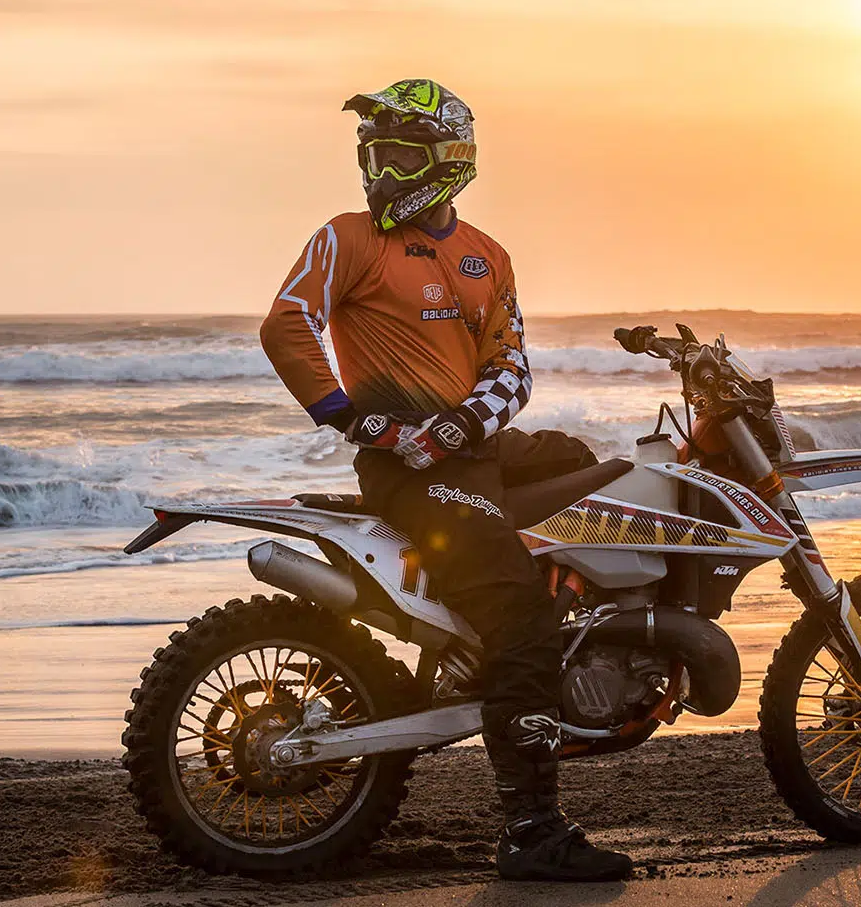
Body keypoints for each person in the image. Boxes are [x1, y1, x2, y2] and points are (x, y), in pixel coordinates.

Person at [259, 79, 632, 882]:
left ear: (448, 162)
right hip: (405, 468)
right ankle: (531, 831)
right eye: (374, 155)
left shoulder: (486, 255)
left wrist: (467, 423)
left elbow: (511, 364)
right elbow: (286, 322)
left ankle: (556, 624)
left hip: (469, 452)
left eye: (399, 154)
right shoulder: (348, 239)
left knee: (589, 461)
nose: (380, 171)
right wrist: (356, 421)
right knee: (524, 627)